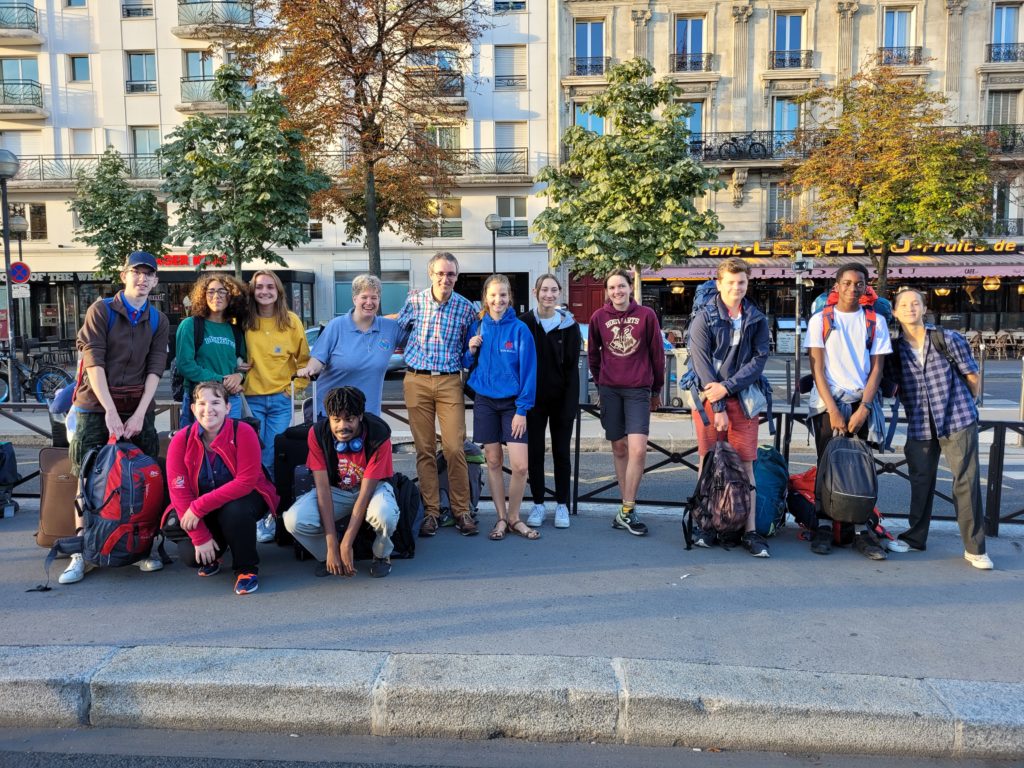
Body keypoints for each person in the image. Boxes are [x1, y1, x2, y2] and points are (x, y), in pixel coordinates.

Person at [59, 251, 170, 585]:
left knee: (145, 476)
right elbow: (94, 362)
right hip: (96, 404)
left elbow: (155, 369)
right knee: (87, 476)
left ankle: (140, 547)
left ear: (155, 281)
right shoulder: (102, 310)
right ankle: (83, 551)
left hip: (138, 404)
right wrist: (109, 410)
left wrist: (138, 415)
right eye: (136, 272)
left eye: (148, 274)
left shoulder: (158, 319)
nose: (142, 279)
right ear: (124, 275)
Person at [889, 288, 993, 569]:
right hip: (920, 423)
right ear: (895, 312)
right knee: (920, 481)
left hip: (957, 419)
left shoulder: (947, 338)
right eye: (904, 305)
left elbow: (972, 376)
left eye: (916, 303)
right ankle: (915, 538)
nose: (910, 308)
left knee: (966, 482)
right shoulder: (896, 350)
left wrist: (966, 405)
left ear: (924, 308)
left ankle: (975, 548)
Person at [805, 263, 892, 560]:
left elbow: (878, 367)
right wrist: (833, 410)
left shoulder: (875, 321)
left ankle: (858, 530)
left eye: (859, 284)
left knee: (859, 468)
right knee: (826, 467)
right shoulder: (821, 320)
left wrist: (864, 408)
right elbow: (816, 366)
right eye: (847, 283)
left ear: (866, 287)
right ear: (837, 286)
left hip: (860, 403)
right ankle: (825, 527)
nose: (853, 289)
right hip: (828, 402)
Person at [686, 258, 772, 557]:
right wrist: (719, 400)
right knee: (707, 461)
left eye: (742, 282)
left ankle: (749, 531)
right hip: (710, 399)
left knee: (746, 464)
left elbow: (759, 361)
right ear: (719, 283)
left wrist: (729, 386)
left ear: (748, 284)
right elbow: (702, 364)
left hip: (745, 398)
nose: (737, 287)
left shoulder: (757, 318)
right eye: (731, 282)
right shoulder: (704, 319)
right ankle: (706, 523)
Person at [165, 381, 279, 595]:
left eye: (216, 402)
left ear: (227, 407)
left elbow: (246, 481)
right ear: (193, 408)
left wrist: (198, 507)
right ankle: (216, 550)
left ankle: (246, 569)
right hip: (206, 505)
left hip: (245, 498)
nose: (208, 409)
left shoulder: (243, 432)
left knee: (235, 511)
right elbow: (178, 490)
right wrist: (200, 538)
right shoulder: (181, 439)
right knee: (191, 556)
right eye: (202, 403)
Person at [396, 252, 479, 537]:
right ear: (431, 274)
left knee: (455, 447)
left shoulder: (466, 308)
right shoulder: (414, 301)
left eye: (451, 274)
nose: (446, 279)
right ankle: (431, 512)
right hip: (416, 379)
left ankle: (461, 510)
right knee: (425, 449)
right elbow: (399, 334)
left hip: (449, 382)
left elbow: (472, 347)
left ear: (457, 276)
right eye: (441, 274)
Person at [282, 386, 400, 578]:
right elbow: (322, 491)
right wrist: (333, 544)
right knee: (293, 520)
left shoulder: (379, 434)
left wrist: (347, 543)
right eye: (336, 420)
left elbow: (365, 494)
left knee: (384, 514)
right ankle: (328, 556)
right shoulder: (317, 433)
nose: (342, 426)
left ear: (360, 416)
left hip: (372, 489)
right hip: (335, 490)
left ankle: (381, 555)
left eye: (349, 419)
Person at [588, 269, 665, 536]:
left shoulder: (647, 316)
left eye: (621, 286)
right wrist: (600, 384)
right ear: (607, 292)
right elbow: (593, 356)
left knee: (638, 450)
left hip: (638, 390)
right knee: (619, 449)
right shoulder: (598, 317)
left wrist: (656, 390)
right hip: (610, 390)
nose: (617, 291)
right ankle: (627, 508)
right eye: (612, 288)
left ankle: (628, 508)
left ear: (630, 288)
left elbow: (657, 354)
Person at [465, 274, 538, 541]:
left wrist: (522, 409)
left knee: (520, 466)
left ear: (510, 298)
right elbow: (465, 360)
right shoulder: (477, 326)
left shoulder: (520, 330)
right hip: (484, 401)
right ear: (486, 297)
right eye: (493, 295)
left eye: (503, 295)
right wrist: (470, 350)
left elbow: (530, 372)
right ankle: (500, 518)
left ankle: (514, 517)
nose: (498, 300)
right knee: (493, 462)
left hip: (512, 404)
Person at [240, 269, 310, 543]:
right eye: (259, 287)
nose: (265, 291)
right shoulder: (243, 320)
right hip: (252, 399)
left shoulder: (291, 322)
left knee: (274, 454)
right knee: (254, 458)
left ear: (279, 291)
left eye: (270, 286)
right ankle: (257, 511)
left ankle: (271, 514)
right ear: (252, 291)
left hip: (280, 401)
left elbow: (304, 361)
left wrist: (292, 391)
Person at [297, 274, 404, 418]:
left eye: (374, 297)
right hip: (332, 413)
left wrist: (417, 305)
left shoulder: (390, 328)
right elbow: (317, 360)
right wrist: (309, 369)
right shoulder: (336, 326)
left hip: (367, 415)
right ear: (354, 299)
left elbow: (420, 338)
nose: (369, 302)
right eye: (364, 297)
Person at [521, 274, 581, 530]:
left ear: (559, 294)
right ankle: (537, 503)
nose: (549, 294)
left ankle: (562, 505)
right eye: (544, 290)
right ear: (536, 292)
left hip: (560, 400)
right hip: (532, 400)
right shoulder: (524, 323)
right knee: (534, 453)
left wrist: (571, 405)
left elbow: (572, 370)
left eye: (553, 290)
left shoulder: (569, 327)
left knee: (561, 454)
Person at [175, 273, 248, 429]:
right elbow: (185, 365)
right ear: (203, 295)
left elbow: (244, 364)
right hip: (200, 400)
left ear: (232, 296)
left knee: (228, 448)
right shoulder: (190, 325)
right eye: (211, 291)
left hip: (230, 400)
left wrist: (239, 376)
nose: (217, 296)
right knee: (197, 449)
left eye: (222, 291)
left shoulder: (235, 331)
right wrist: (221, 380)